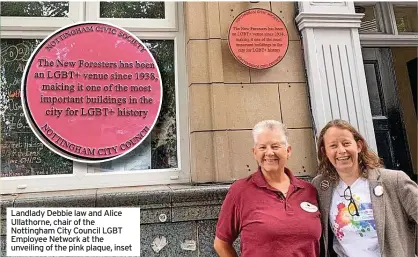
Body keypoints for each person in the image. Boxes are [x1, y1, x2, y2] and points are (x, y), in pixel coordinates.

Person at [214, 120, 321, 257]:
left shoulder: (309, 190)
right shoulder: (240, 191)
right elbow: (221, 243)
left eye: (275, 146)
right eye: (262, 147)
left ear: (288, 151)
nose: (269, 153)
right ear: (254, 153)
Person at [312, 119, 418, 257]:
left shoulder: (394, 181)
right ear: (324, 151)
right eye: (333, 146)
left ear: (359, 146)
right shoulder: (320, 186)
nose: (341, 150)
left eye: (346, 143)